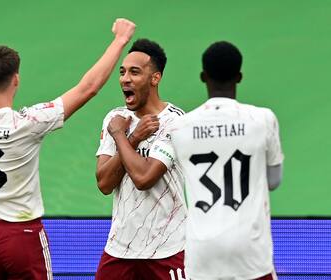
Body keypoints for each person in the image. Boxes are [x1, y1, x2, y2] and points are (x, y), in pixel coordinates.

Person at [0, 4, 135, 279]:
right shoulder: (29, 123)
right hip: (22, 235)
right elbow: (88, 87)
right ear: (16, 80)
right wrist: (119, 40)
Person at [166, 41, 284, 279]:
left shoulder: (179, 127)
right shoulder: (263, 119)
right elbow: (274, 180)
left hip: (202, 252)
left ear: (203, 76)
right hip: (251, 252)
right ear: (239, 77)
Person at [95, 38, 187, 280]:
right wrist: (132, 138)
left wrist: (122, 137)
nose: (125, 79)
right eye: (122, 72)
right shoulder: (115, 119)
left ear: (155, 78)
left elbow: (144, 178)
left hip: (167, 248)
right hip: (119, 250)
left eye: (134, 72)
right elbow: (104, 183)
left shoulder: (175, 122)